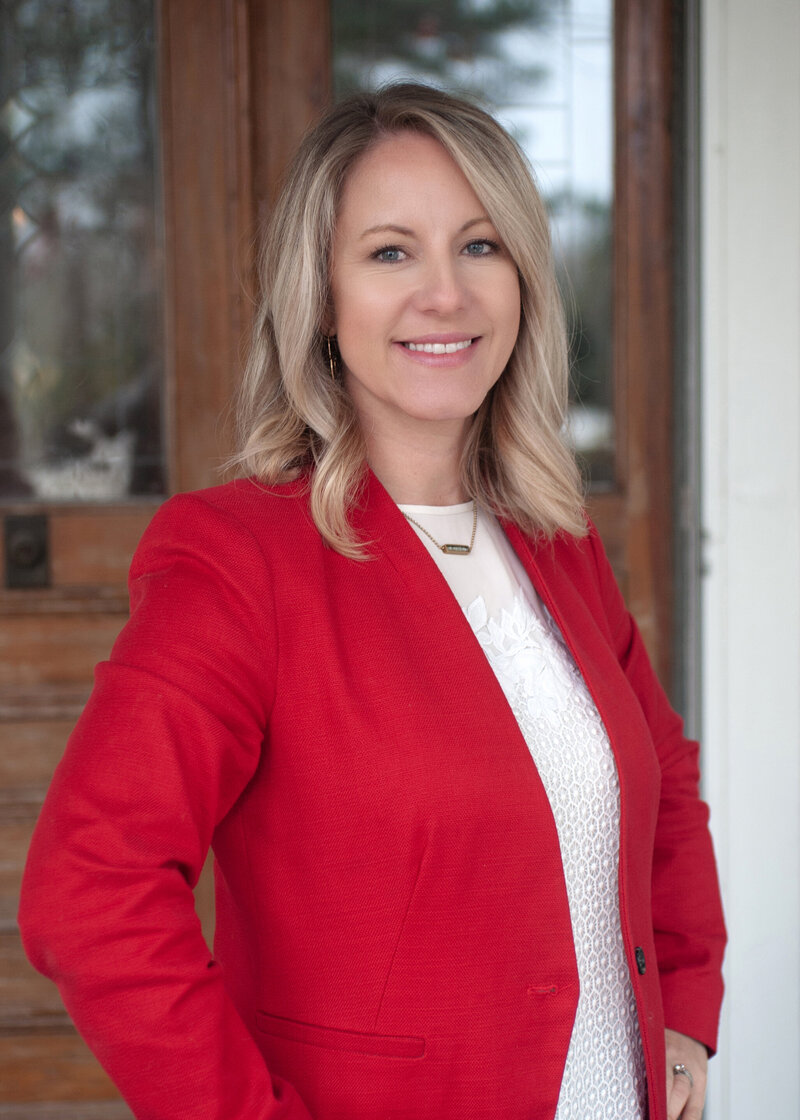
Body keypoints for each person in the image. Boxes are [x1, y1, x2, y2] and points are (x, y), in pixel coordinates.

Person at [19, 83, 725, 1120]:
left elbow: (661, 788)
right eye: (390, 252)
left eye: (479, 246)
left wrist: (683, 1013)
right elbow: (90, 892)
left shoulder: (557, 543)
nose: (443, 294)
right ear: (321, 297)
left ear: (523, 278)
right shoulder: (238, 559)